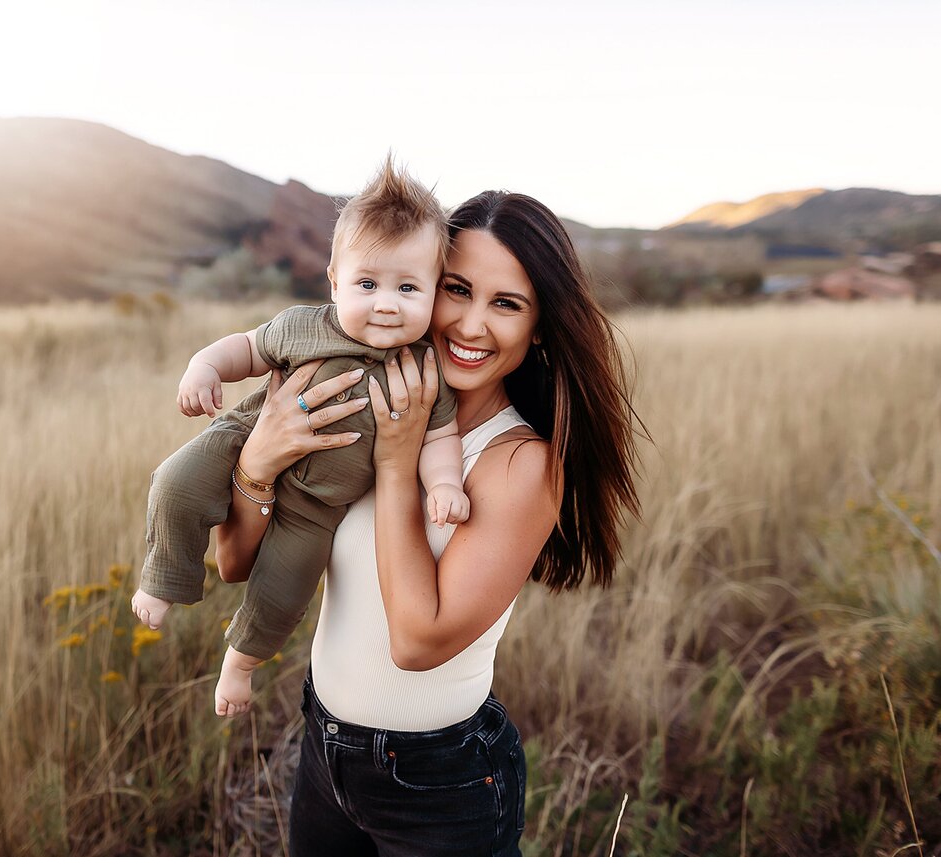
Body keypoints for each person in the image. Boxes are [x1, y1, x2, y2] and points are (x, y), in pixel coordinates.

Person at [213, 190, 643, 856]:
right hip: (324, 751)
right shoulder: (351, 392)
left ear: (540, 328)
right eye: (457, 289)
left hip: (439, 787)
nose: (471, 325)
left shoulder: (518, 462)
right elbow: (234, 562)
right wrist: (258, 466)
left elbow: (417, 640)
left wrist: (396, 464)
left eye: (506, 303)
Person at [131, 160, 471, 717]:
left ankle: (238, 669)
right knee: (175, 482)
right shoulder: (304, 325)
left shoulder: (425, 366)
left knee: (284, 592)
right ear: (335, 279)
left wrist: (444, 484)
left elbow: (440, 435)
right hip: (243, 437)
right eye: (368, 284)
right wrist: (203, 367)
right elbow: (244, 349)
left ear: (436, 292)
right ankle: (164, 576)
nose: (387, 302)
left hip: (317, 508)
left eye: (409, 287)